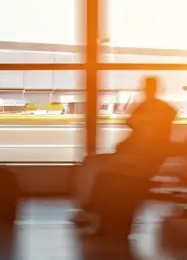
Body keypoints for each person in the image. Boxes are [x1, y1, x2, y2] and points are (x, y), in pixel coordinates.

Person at [71, 76, 180, 230]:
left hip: (137, 161)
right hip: (132, 157)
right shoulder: (158, 109)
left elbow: (134, 124)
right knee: (91, 163)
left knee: (93, 166)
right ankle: (88, 207)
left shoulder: (156, 112)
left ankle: (88, 209)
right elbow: (132, 123)